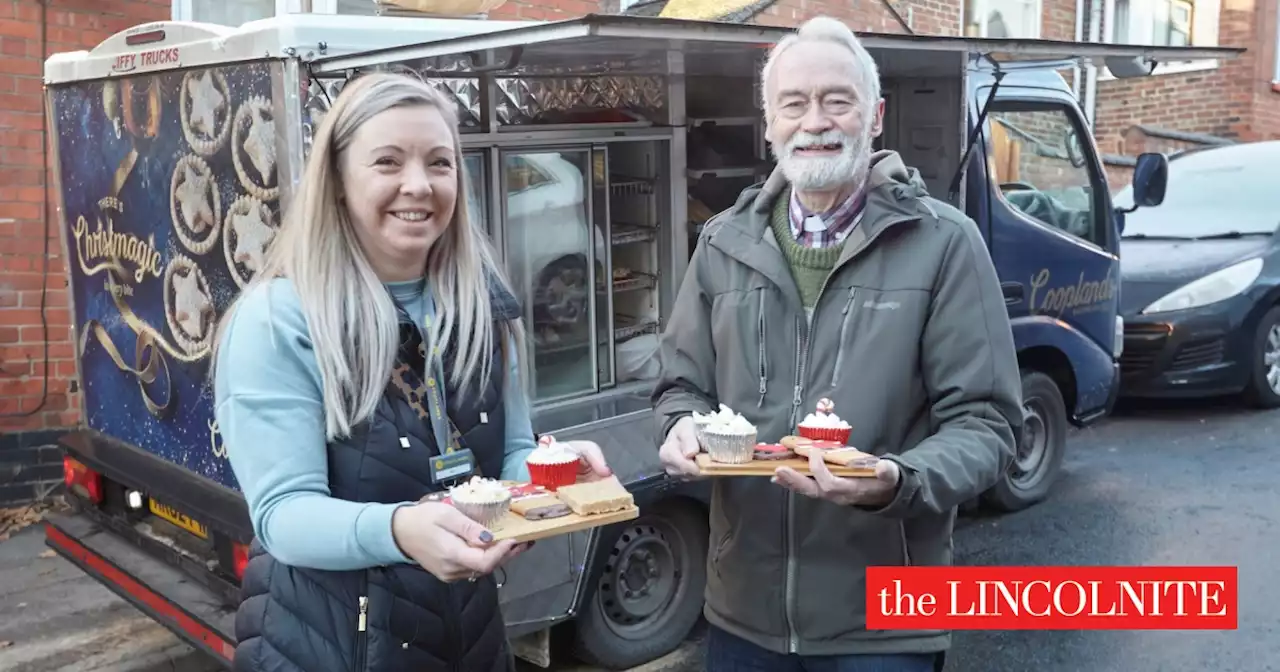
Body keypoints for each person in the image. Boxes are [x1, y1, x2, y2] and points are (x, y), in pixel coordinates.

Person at [652, 16, 1022, 672]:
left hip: (886, 620)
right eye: (793, 104)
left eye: (837, 100)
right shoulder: (722, 244)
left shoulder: (944, 244)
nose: (814, 121)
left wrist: (897, 481)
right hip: (744, 611)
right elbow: (682, 384)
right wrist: (681, 424)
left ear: (874, 116)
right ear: (769, 123)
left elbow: (988, 424)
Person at [211, 72, 612, 672]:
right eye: (388, 162)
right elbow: (284, 516)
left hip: (469, 638)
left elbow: (509, 456)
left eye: (440, 163)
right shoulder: (280, 320)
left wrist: (547, 477)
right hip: (328, 647)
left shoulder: (486, 308)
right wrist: (402, 531)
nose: (419, 185)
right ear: (340, 182)